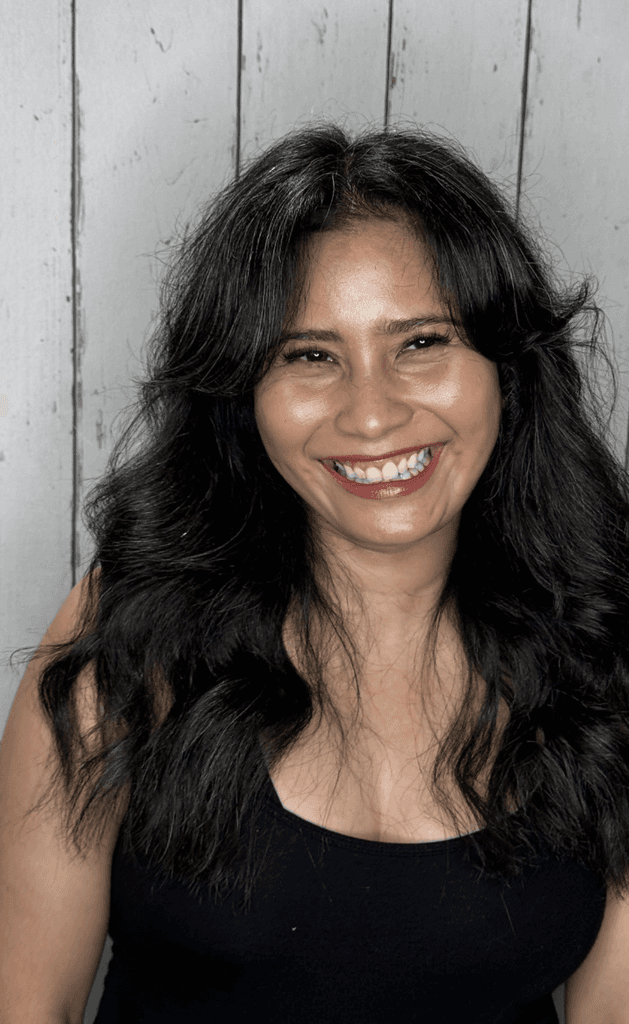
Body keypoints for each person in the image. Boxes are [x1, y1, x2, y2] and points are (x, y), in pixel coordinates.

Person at [2, 123, 629, 1024]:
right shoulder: (133, 630)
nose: (371, 413)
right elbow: (27, 1005)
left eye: (421, 343)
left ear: (507, 369)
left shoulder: (602, 650)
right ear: (241, 396)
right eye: (309, 356)